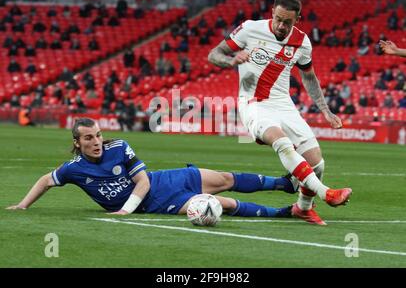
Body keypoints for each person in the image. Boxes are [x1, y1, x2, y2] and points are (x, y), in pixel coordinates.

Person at [208, 0, 352, 225]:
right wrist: (231, 61)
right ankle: (327, 193)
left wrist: (326, 110)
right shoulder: (249, 29)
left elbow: (309, 77)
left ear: (298, 20)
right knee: (280, 140)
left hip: (283, 104)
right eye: (278, 19)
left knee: (316, 162)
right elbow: (214, 54)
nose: (281, 25)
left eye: (288, 22)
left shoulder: (302, 42)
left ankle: (303, 209)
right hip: (254, 103)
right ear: (272, 13)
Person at [7, 118, 296, 220]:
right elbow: (46, 180)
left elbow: (142, 182)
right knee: (222, 203)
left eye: (97, 135)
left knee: (224, 178)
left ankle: (285, 184)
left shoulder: (118, 146)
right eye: (88, 138)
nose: (96, 142)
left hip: (163, 181)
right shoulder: (73, 169)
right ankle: (284, 213)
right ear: (77, 142)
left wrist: (124, 210)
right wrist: (23, 205)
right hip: (160, 203)